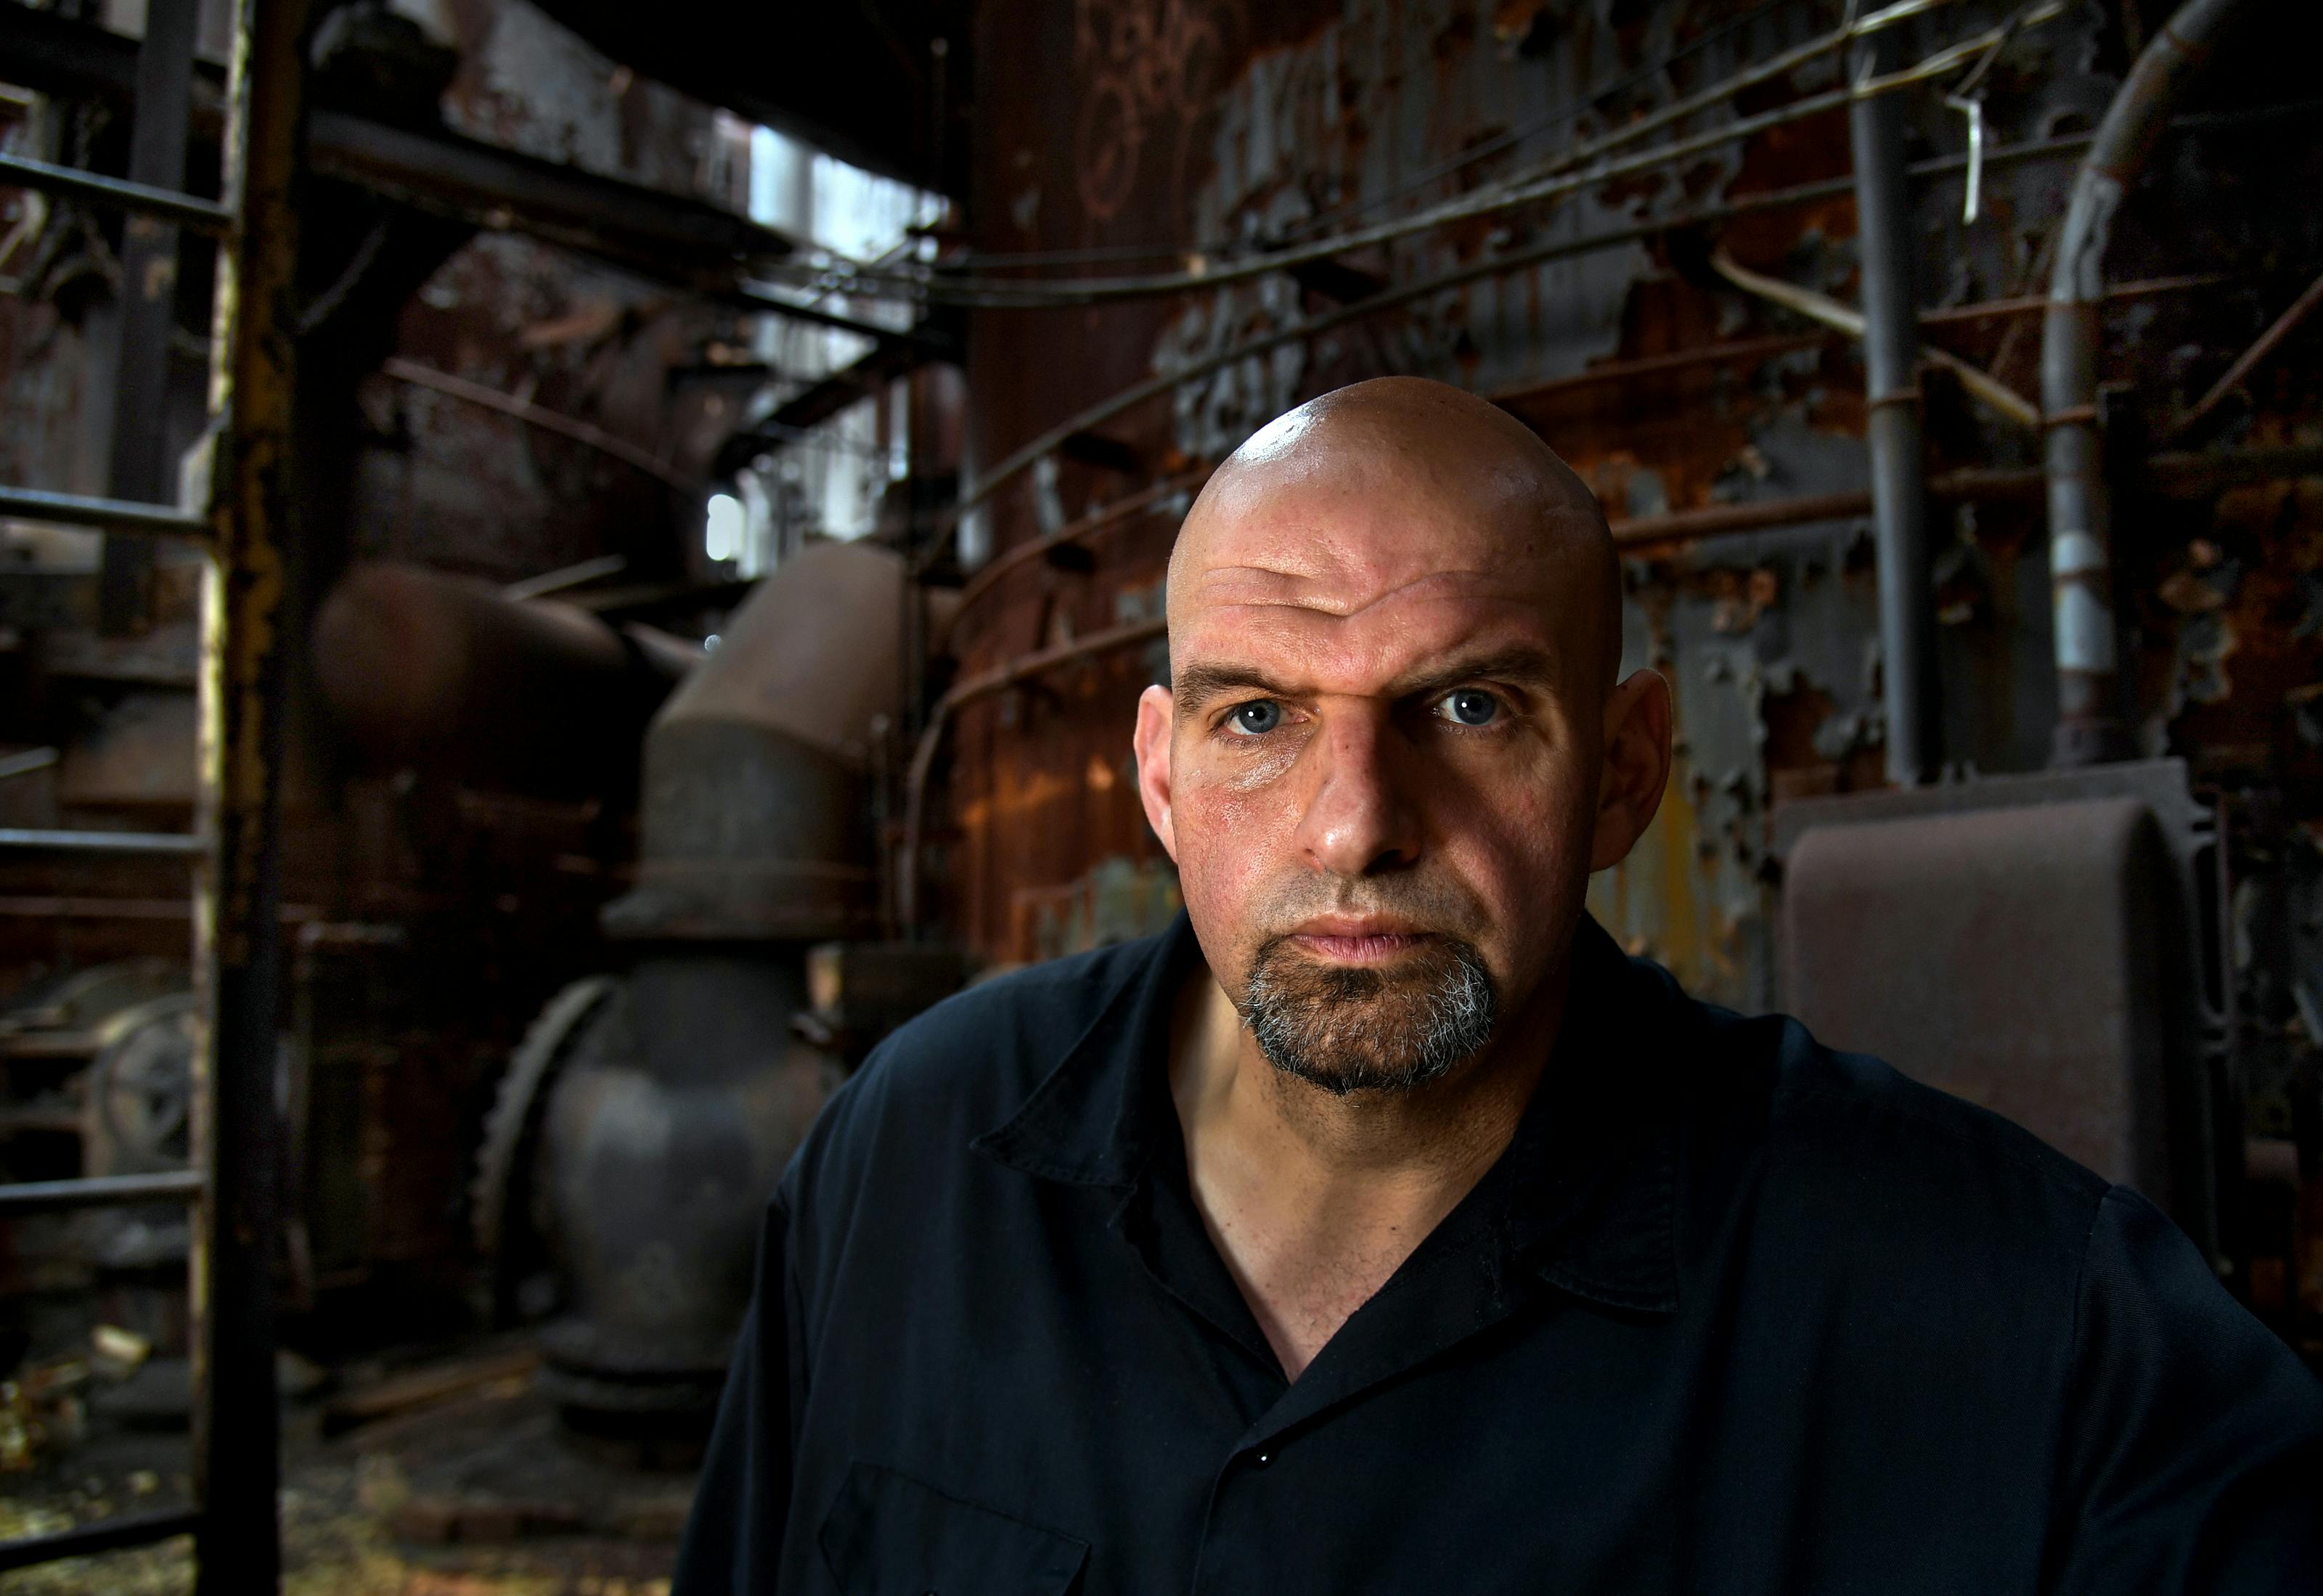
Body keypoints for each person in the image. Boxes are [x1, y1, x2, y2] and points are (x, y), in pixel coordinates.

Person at [673, 377, 2323, 1595]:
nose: (1356, 823)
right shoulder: (908, 1155)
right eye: (1259, 716)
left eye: (1467, 708)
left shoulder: (2017, 1326)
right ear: (1161, 783)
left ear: (1626, 770)